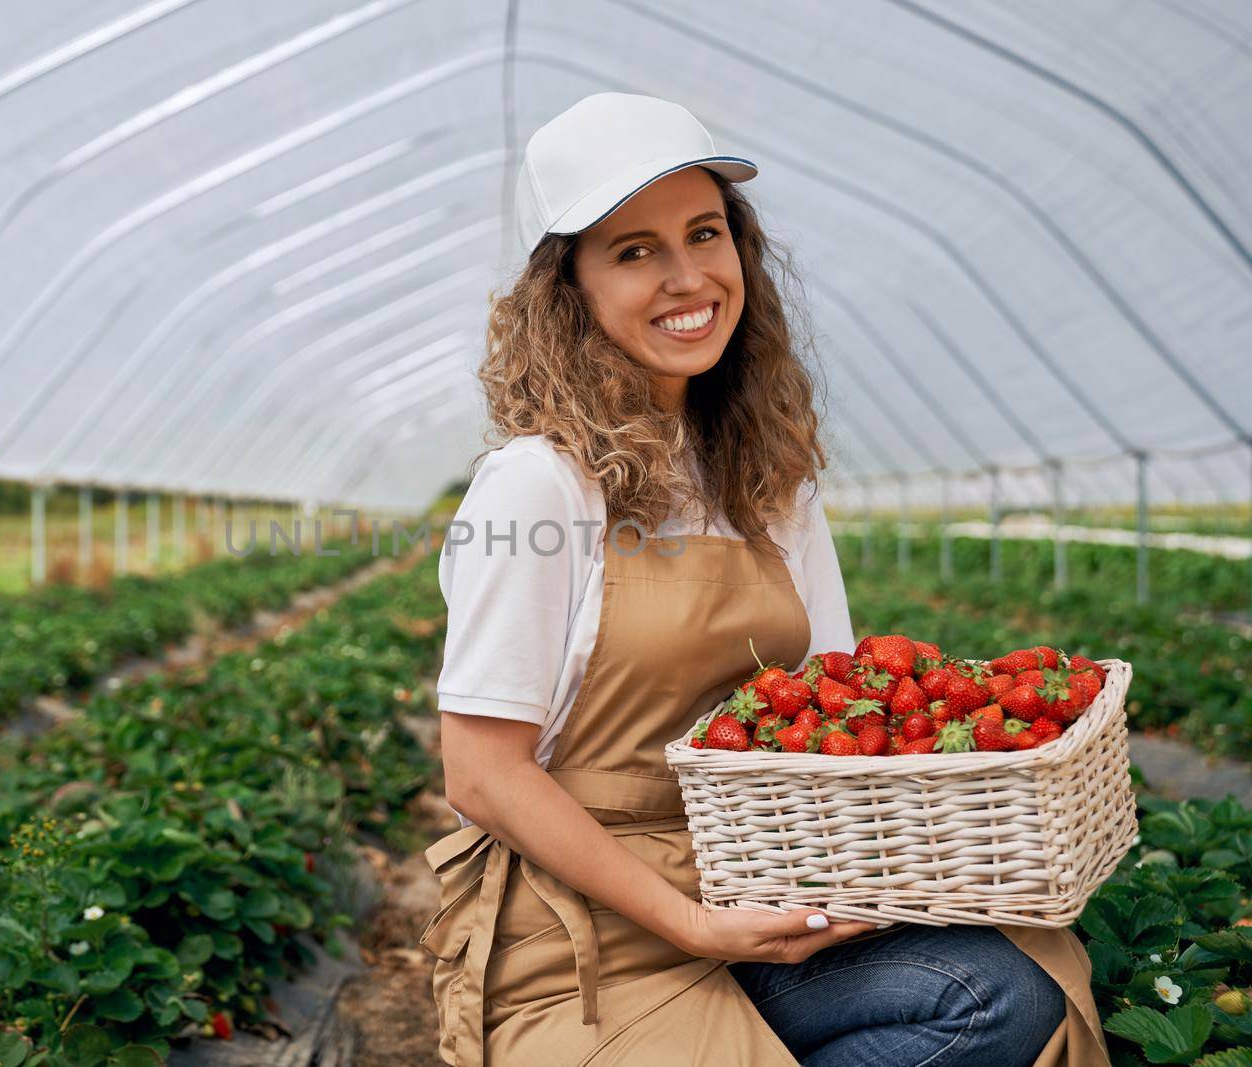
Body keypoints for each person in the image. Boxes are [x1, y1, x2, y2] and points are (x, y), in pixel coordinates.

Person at [418, 92, 1109, 1066]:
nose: (685, 275)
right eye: (633, 250)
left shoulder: (763, 475)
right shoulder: (538, 483)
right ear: (567, 290)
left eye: (705, 233)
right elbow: (483, 775)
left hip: (758, 887)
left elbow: (830, 700)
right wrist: (691, 924)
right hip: (582, 939)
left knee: (1008, 989)